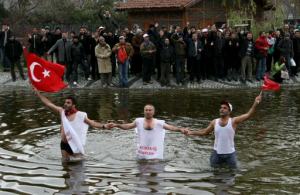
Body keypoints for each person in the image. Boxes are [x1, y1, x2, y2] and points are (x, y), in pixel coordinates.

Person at [33, 87, 113, 161]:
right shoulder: (62, 112)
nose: (65, 104)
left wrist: (103, 126)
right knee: (65, 166)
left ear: (73, 105)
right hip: (64, 144)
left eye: (68, 103)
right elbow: (49, 104)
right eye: (65, 102)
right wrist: (38, 94)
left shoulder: (80, 115)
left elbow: (92, 123)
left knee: (79, 165)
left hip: (74, 144)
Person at [185, 93, 262, 169]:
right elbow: (205, 132)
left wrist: (255, 103)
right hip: (216, 154)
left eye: (224, 108)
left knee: (232, 175)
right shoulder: (214, 122)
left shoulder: (233, 121)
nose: (221, 109)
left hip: (230, 155)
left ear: (229, 111)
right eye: (221, 107)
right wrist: (191, 132)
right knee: (214, 176)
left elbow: (248, 115)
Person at [112, 104, 188, 160]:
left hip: (155, 153)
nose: (148, 112)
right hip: (142, 152)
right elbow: (127, 126)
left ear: (153, 112)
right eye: (146, 110)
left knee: (154, 173)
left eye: (150, 110)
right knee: (141, 174)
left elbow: (171, 127)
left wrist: (180, 129)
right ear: (144, 111)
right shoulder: (138, 121)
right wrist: (116, 125)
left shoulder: (159, 123)